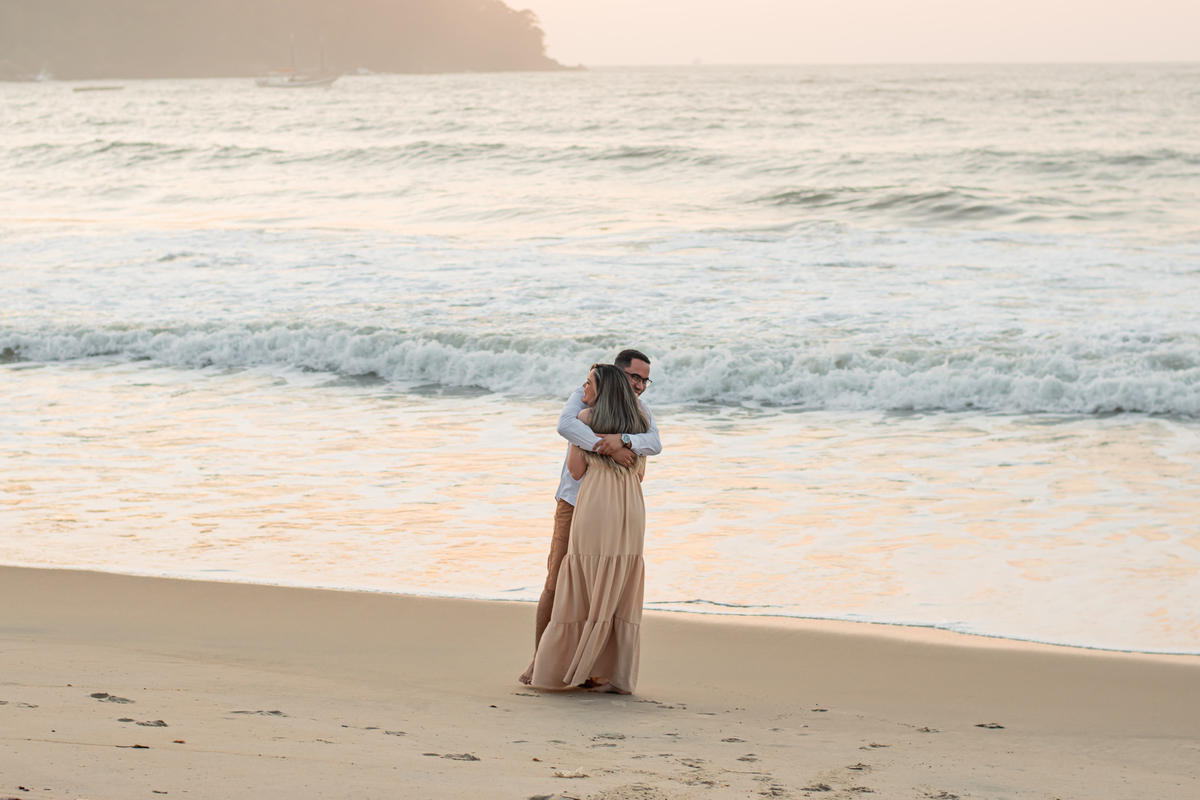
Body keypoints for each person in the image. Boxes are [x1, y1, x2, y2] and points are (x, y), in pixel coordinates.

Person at [518, 349, 661, 687]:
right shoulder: (583, 398)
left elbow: (654, 443)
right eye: (634, 377)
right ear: (617, 374)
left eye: (645, 380)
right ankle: (542, 659)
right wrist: (609, 446)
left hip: (615, 508)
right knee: (559, 582)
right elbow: (565, 426)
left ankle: (591, 665)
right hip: (575, 502)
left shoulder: (639, 412)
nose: (640, 385)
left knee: (603, 587)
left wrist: (622, 439)